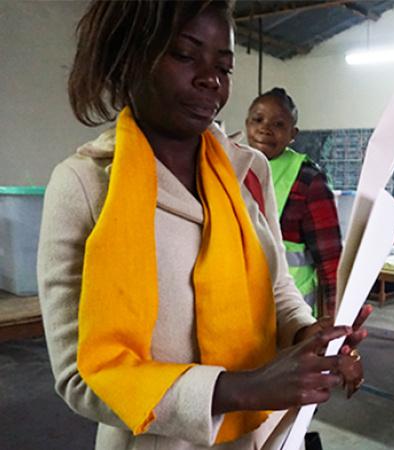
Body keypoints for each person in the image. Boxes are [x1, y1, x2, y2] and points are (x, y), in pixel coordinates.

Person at [37, 2, 368, 448]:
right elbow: (81, 378)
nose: (210, 79)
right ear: (128, 57)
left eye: (223, 66)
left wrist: (310, 334)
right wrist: (240, 387)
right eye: (184, 55)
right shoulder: (85, 185)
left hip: (258, 432)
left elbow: (276, 289)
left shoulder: (247, 172)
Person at [245, 88, 342, 318]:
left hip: (290, 313)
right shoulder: (229, 168)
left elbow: (330, 261)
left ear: (293, 134)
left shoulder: (308, 181)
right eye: (257, 120)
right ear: (247, 123)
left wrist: (335, 318)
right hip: (239, 306)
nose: (265, 128)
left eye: (278, 125)